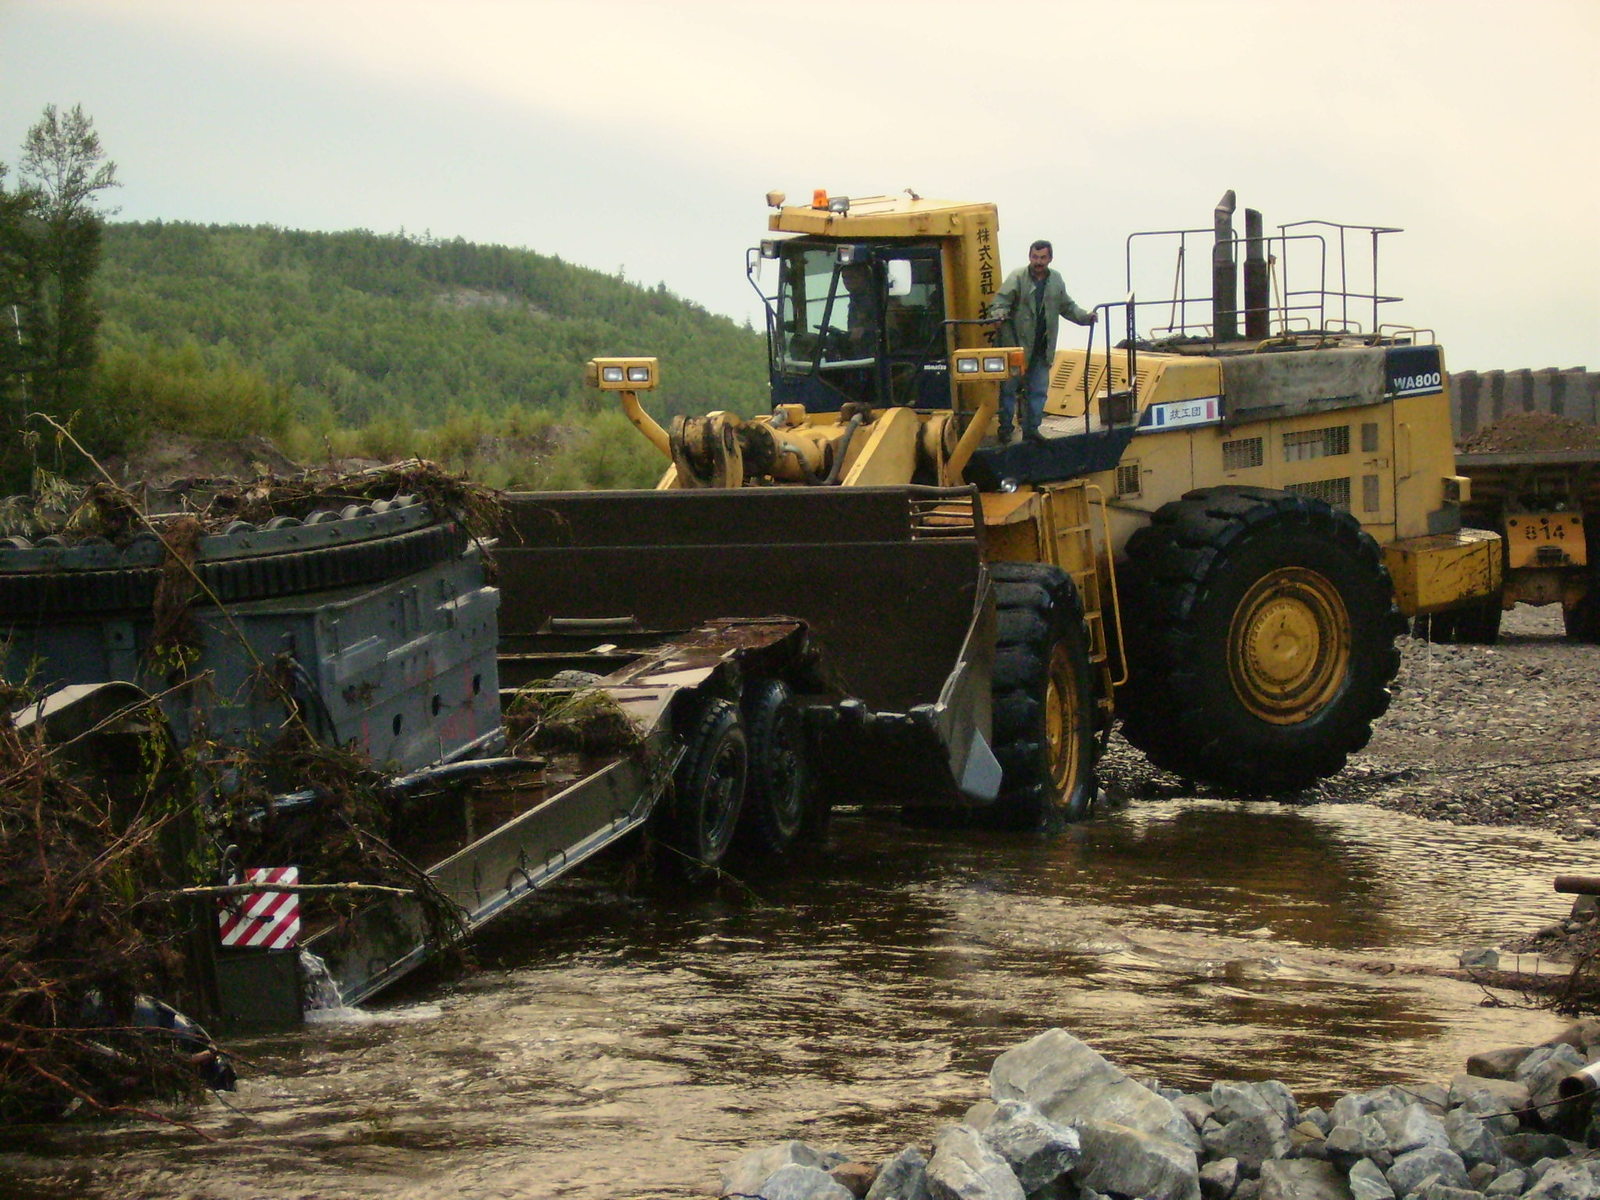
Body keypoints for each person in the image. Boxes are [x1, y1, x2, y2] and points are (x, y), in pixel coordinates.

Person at [987, 240, 1096, 443]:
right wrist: (998, 315)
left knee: (1038, 391)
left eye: (1043, 258)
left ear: (1050, 259)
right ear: (1029, 257)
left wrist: (1085, 317)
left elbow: (1067, 306)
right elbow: (1001, 302)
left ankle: (1032, 429)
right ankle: (1005, 429)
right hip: (1015, 346)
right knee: (1008, 390)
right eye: (1035, 257)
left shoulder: (1055, 280)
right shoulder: (1018, 277)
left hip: (1041, 347)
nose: (1038, 262)